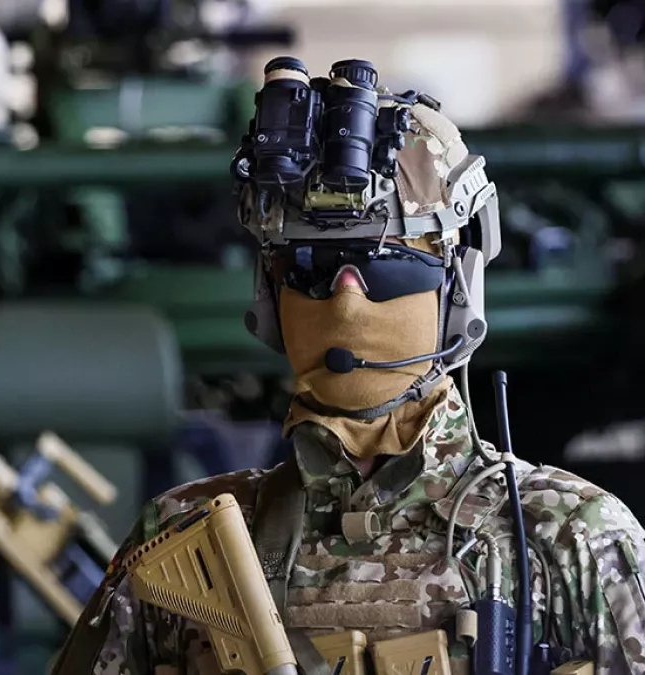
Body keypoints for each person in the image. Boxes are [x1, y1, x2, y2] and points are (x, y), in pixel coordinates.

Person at [49, 57, 645, 675]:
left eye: (387, 268)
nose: (346, 301)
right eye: (309, 268)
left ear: (455, 286)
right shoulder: (183, 544)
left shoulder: (568, 539)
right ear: (271, 294)